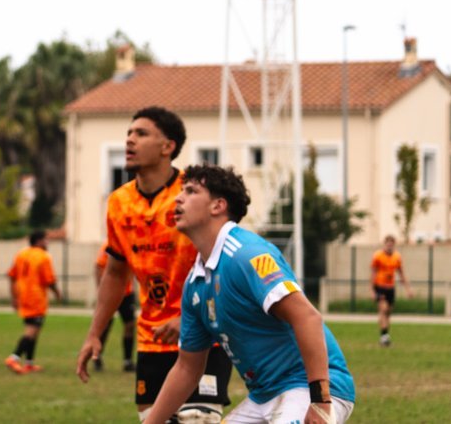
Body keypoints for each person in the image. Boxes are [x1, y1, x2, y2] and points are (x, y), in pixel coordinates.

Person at [144, 165, 355, 424]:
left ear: (218, 205)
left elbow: (307, 317)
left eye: (191, 191)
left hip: (310, 387)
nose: (178, 198)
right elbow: (187, 368)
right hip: (263, 396)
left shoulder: (246, 254)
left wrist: (320, 401)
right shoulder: (195, 283)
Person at [75, 107, 231, 423]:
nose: (130, 140)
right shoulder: (119, 202)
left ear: (167, 146)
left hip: (203, 335)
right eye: (129, 133)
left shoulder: (193, 194)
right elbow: (115, 272)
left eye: (141, 133)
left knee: (197, 419)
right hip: (152, 339)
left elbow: (225, 264)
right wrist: (94, 333)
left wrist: (189, 317)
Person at [4, 230, 61, 375]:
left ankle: (29, 363)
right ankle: (14, 358)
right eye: (46, 240)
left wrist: (14, 297)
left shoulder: (21, 254)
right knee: (32, 331)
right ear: (39, 241)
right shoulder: (43, 256)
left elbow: (11, 275)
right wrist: (57, 293)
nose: (48, 243)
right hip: (36, 297)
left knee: (34, 330)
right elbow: (49, 280)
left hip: (23, 295)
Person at [94, 246, 136, 373]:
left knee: (130, 324)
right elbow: (98, 266)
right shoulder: (108, 246)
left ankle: (127, 361)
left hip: (127, 293)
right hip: (111, 293)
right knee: (104, 325)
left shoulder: (131, 243)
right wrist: (101, 290)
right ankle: (97, 356)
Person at [371, 235, 412, 347]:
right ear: (384, 244)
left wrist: (408, 289)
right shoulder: (378, 256)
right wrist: (372, 290)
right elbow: (373, 273)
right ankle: (384, 337)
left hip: (391, 288)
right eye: (387, 244)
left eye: (391, 244)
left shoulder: (397, 257)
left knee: (388, 313)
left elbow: (401, 273)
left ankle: (384, 335)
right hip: (380, 287)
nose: (389, 246)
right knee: (384, 310)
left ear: (394, 245)